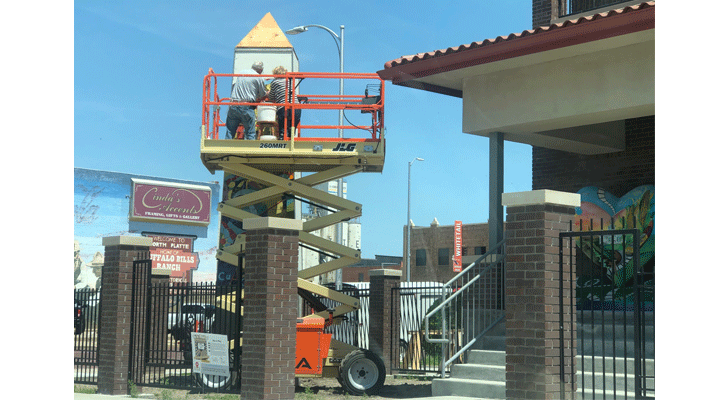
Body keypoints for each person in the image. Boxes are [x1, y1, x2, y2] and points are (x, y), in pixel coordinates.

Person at [226, 61, 268, 139]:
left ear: (252, 67)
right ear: (261, 70)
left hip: (233, 105)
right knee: (250, 133)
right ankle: (250, 150)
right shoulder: (259, 78)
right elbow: (263, 95)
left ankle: (225, 148)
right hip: (246, 106)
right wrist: (268, 93)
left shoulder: (242, 73)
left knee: (230, 131)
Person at [268, 66, 301, 139]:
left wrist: (267, 93)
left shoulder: (275, 82)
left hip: (283, 108)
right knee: (291, 131)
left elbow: (271, 97)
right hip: (296, 107)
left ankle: (283, 141)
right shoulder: (290, 81)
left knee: (283, 131)